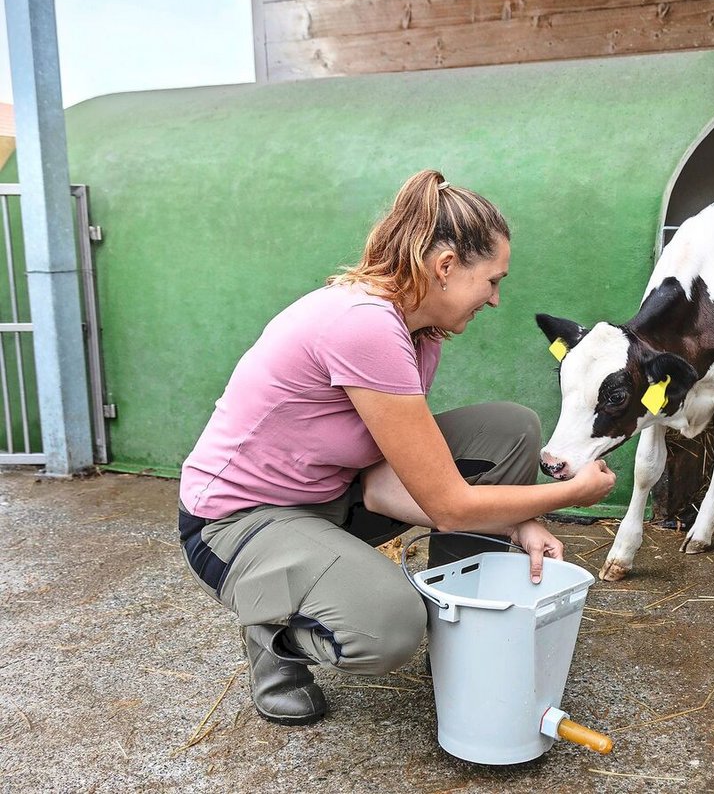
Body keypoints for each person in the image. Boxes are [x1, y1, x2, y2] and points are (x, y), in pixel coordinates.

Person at [177, 168, 616, 726]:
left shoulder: (420, 334)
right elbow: (448, 506)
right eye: (492, 281)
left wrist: (517, 522)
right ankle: (273, 635)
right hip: (237, 523)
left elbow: (385, 488)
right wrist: (568, 495)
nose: (496, 299)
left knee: (510, 429)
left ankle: (461, 634)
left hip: (337, 496)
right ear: (445, 267)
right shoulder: (363, 325)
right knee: (389, 627)